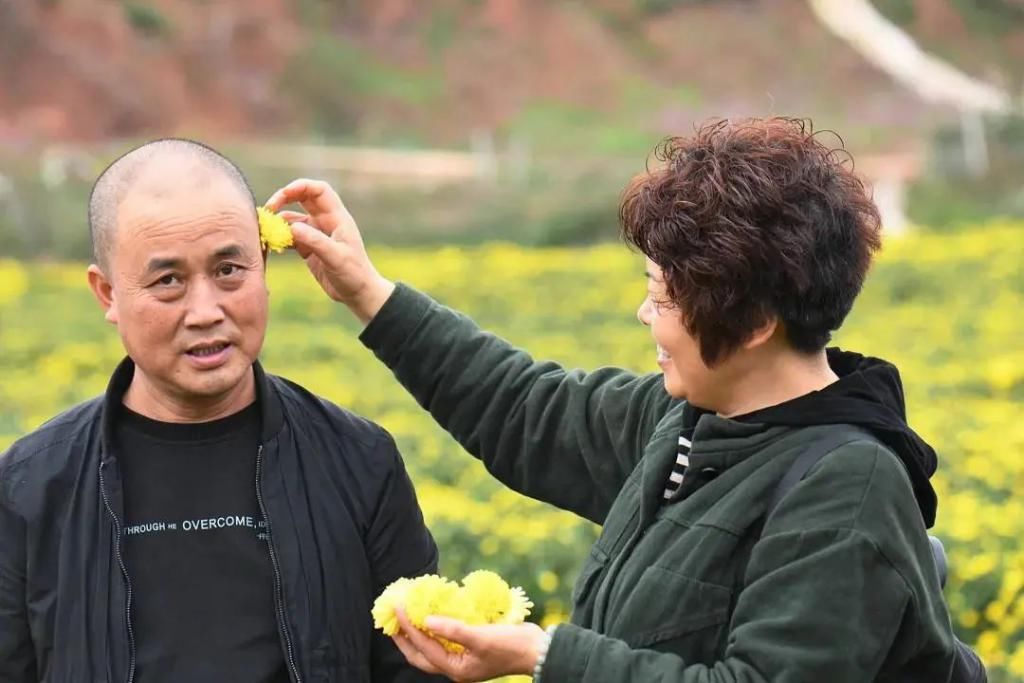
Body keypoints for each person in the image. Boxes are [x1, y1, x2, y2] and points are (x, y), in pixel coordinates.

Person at [266, 117, 966, 682]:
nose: (644, 314)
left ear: (755, 324)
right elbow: (523, 408)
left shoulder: (848, 488)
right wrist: (366, 291)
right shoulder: (687, 420)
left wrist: (540, 656)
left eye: (663, 297)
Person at [0, 139, 445, 683]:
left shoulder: (360, 462)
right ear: (107, 294)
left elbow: (421, 672)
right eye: (169, 281)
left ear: (264, 267)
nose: (206, 311)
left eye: (230, 269)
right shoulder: (30, 486)